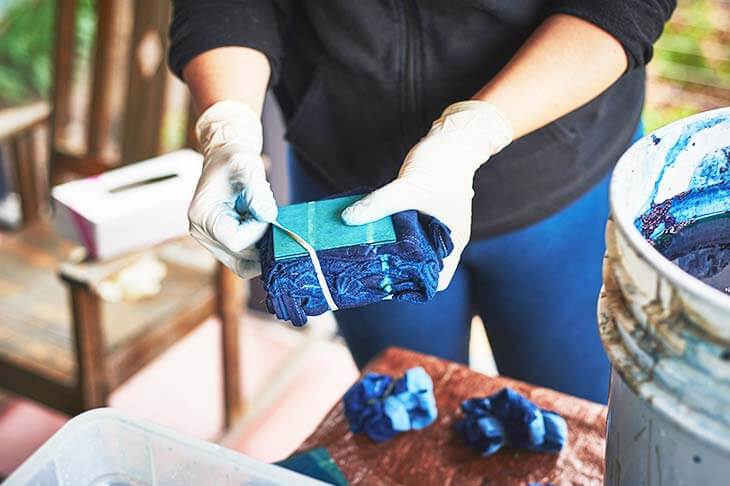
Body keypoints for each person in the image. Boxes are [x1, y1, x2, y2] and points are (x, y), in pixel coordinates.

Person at [169, 1, 675, 403]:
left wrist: (470, 135)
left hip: (564, 180)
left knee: (580, 419)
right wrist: (227, 127)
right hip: (351, 196)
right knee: (407, 418)